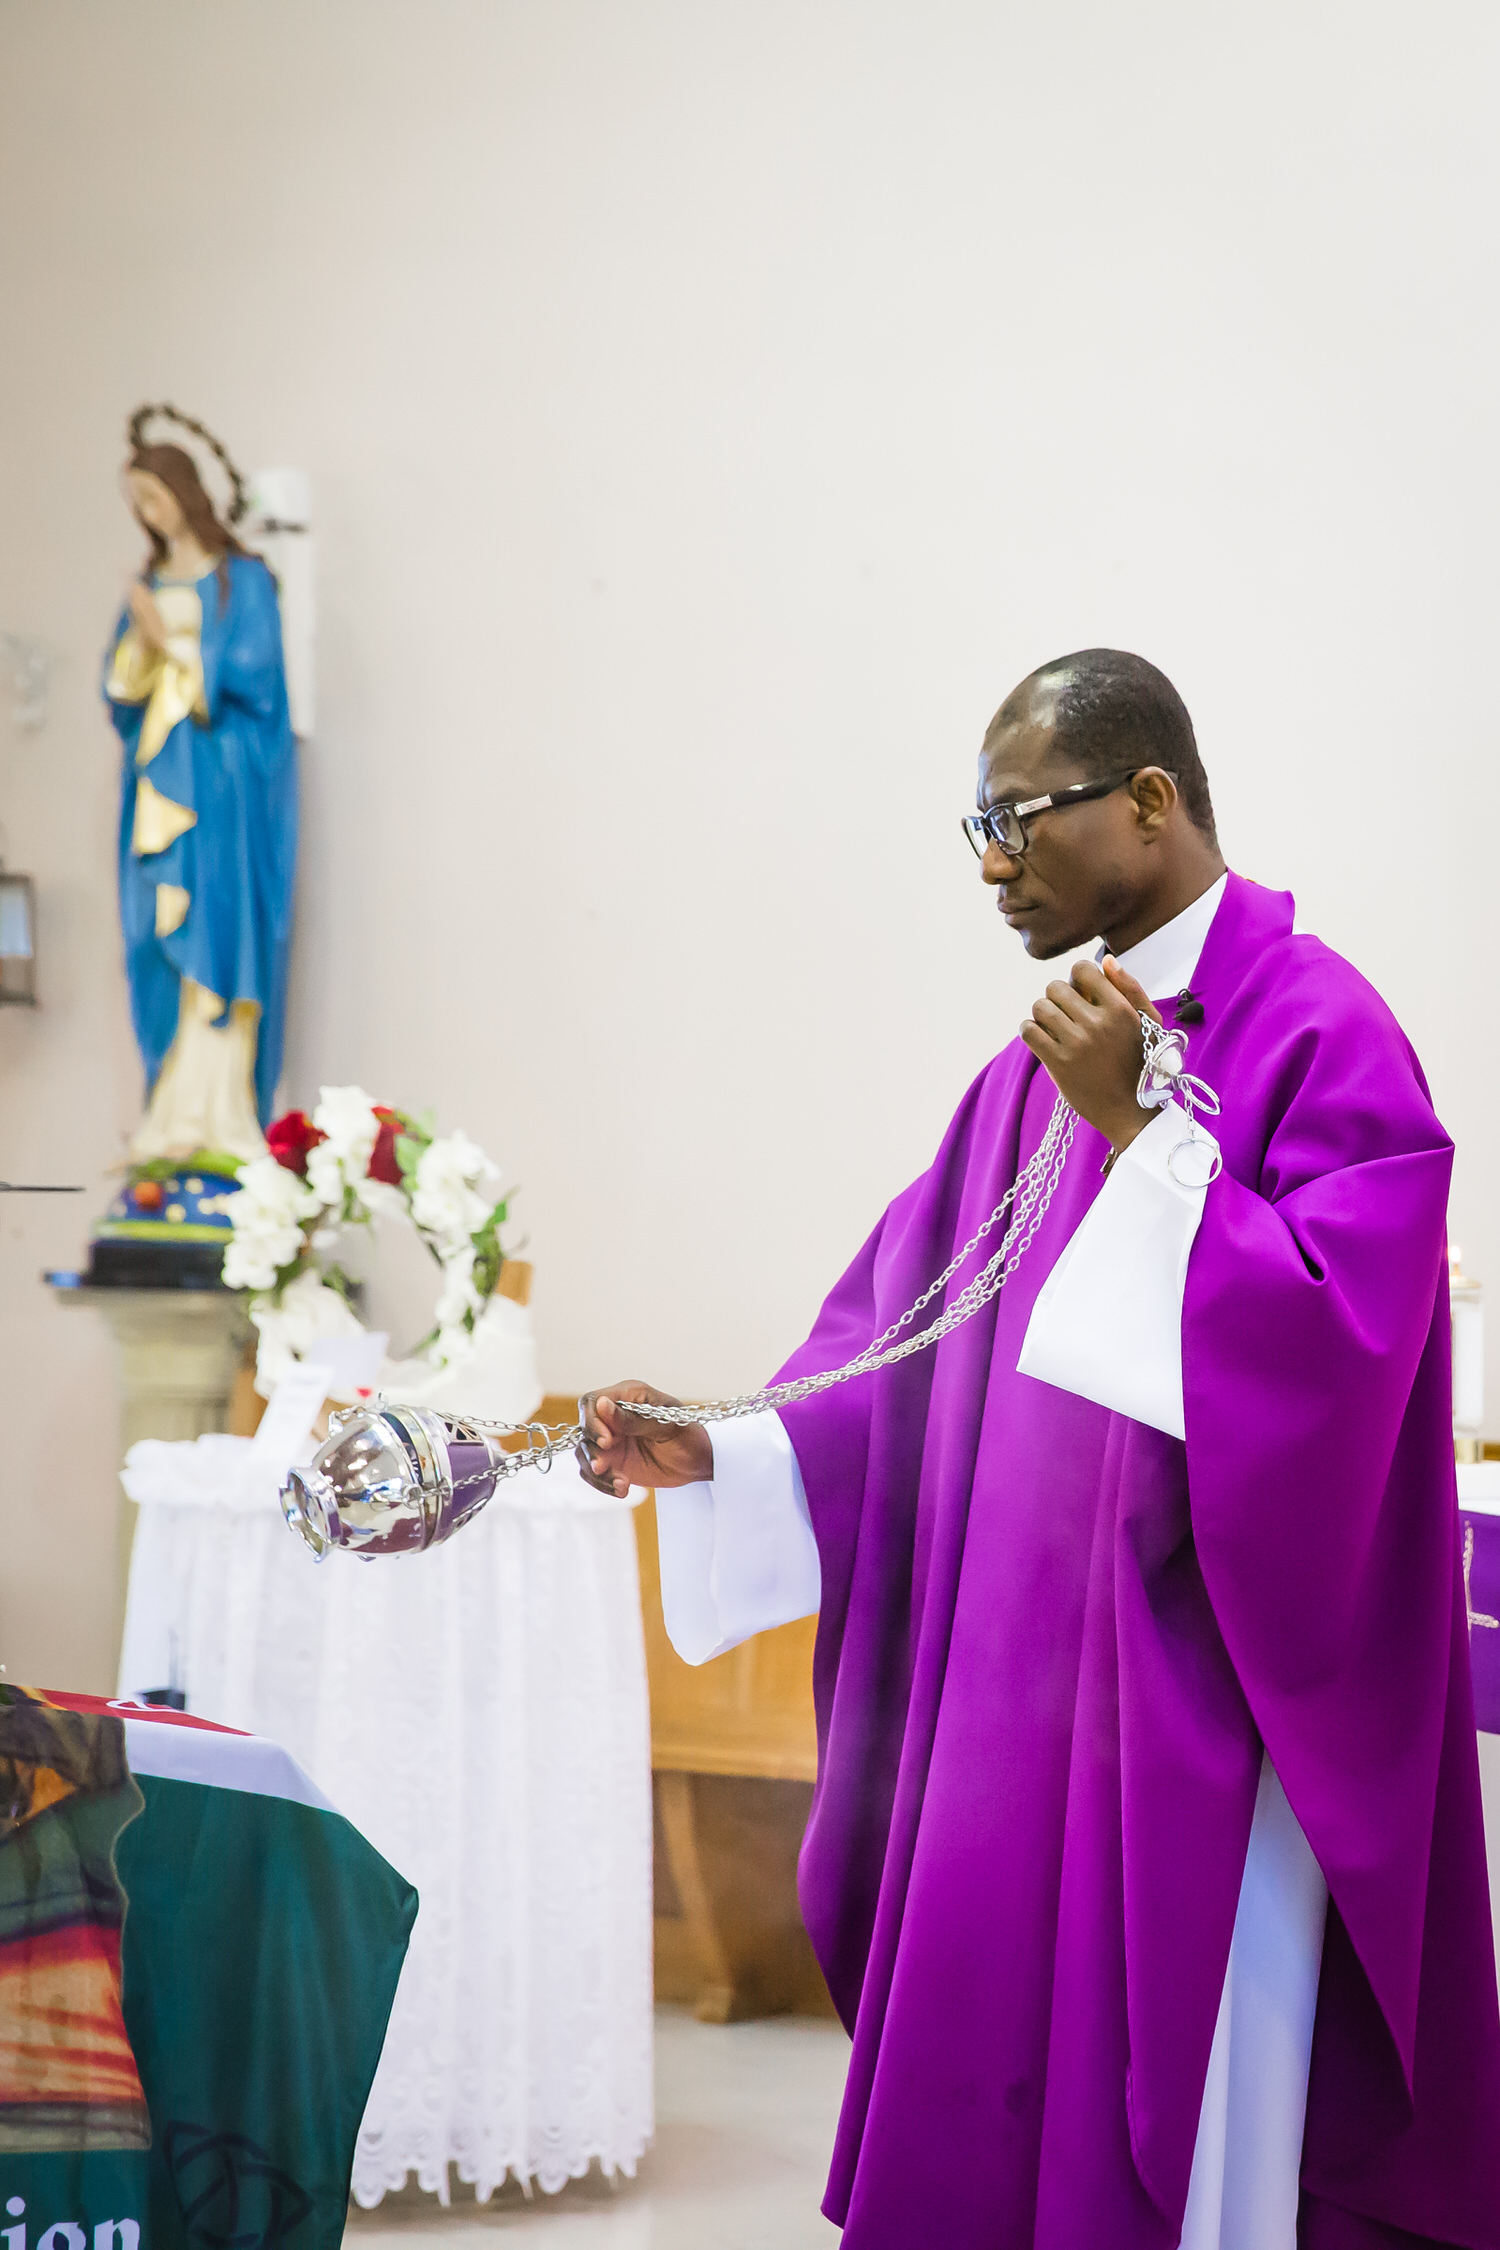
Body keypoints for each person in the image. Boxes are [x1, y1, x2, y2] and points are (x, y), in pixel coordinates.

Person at [579, 649, 1500, 2249]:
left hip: (1204, 1707)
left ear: (1149, 802)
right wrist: (723, 1448)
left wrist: (1148, 1139)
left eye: (1019, 819)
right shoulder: (1026, 1075)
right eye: (977, 828)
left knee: (1190, 2119)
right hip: (1017, 1709)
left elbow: (1345, 1347)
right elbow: (906, 1344)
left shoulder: (1320, 1028)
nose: (995, 865)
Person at [104, 442, 297, 1164]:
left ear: (184, 492)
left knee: (214, 930)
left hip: (217, 790)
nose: (146, 514)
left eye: (153, 497)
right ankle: (169, 1117)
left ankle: (219, 1115)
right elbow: (120, 690)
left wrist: (172, 646)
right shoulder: (151, 582)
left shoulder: (240, 583)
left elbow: (256, 681)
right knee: (157, 937)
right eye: (137, 504)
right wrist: (142, 647)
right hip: (158, 787)